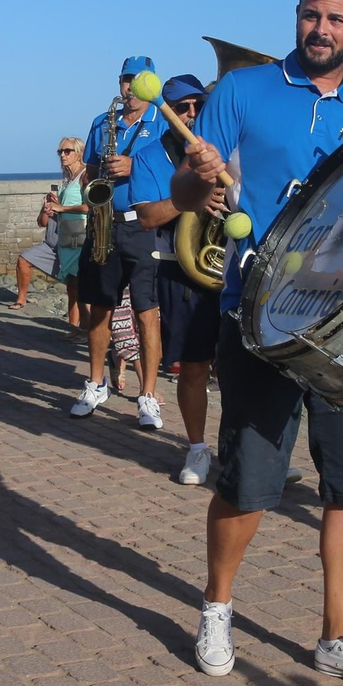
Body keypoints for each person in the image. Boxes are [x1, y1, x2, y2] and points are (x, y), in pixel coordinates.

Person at [172, 0, 343, 686]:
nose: (321, 29)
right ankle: (217, 607)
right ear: (296, 14)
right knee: (248, 482)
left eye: (337, 19)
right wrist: (204, 183)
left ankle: (338, 634)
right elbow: (179, 188)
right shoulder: (240, 90)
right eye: (311, 14)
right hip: (260, 314)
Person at [133, 75, 224, 481]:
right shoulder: (150, 156)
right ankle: (198, 450)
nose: (191, 114)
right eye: (181, 107)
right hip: (180, 269)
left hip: (232, 266)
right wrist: (194, 198)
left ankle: (249, 451)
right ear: (164, 111)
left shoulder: (225, 147)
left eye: (198, 105)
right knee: (193, 367)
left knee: (246, 367)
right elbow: (148, 217)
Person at [71, 57, 165, 423]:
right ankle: (96, 383)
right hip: (105, 225)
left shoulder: (161, 122)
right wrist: (90, 184)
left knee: (147, 314)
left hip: (143, 226)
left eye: (138, 81)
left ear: (151, 84)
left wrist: (134, 166)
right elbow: (90, 172)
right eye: (126, 80)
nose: (130, 88)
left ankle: (148, 395)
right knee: (98, 309)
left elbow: (174, 174)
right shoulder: (102, 123)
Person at [11, 137, 87, 322]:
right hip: (66, 236)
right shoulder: (66, 180)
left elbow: (90, 207)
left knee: (79, 285)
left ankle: (85, 328)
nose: (62, 155)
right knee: (72, 285)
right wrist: (52, 207)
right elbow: (45, 221)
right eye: (60, 151)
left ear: (79, 153)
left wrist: (62, 208)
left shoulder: (85, 175)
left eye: (67, 151)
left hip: (80, 234)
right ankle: (74, 327)